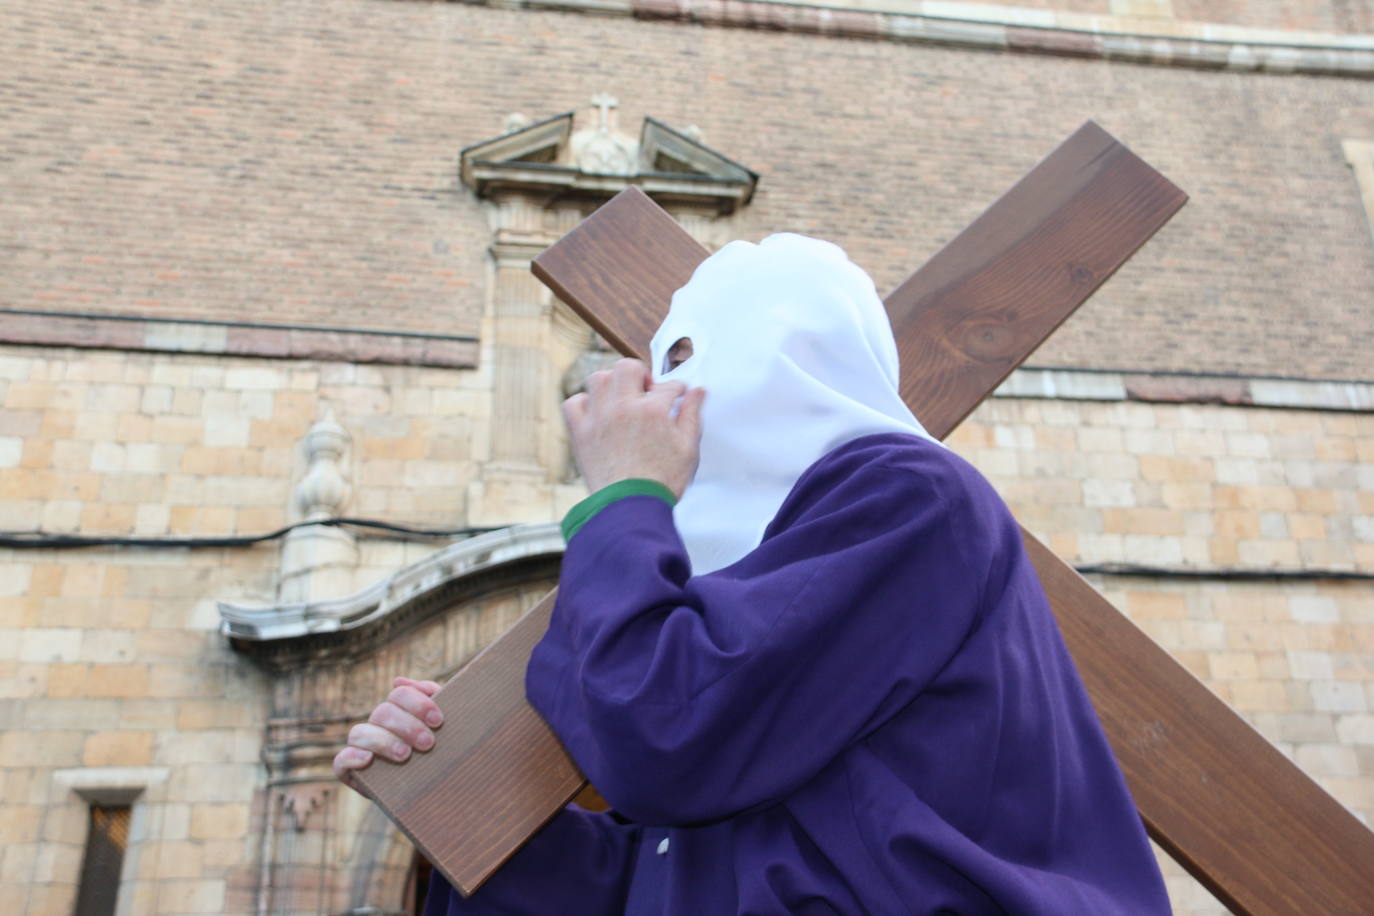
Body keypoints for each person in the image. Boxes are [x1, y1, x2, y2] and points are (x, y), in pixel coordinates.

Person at [334, 235, 1171, 914]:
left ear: (791, 352)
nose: (664, 391)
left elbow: (665, 732)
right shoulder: (749, 588)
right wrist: (462, 807)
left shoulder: (911, 497)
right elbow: (676, 867)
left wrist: (625, 500)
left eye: (687, 354)